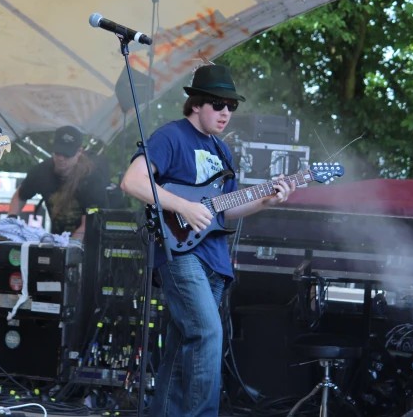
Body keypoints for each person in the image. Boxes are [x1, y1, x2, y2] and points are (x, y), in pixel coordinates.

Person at [120, 63, 296, 416]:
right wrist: (184, 206)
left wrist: (265, 201)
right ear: (196, 104)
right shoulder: (170, 136)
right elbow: (133, 182)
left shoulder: (222, 151)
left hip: (214, 259)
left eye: (232, 106)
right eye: (218, 104)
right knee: (208, 334)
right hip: (180, 253)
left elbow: (224, 211)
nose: (226, 112)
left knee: (183, 346)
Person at [7, 125, 109, 240]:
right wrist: (12, 220)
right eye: (58, 152)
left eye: (66, 154)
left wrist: (68, 248)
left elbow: (88, 224)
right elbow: (20, 196)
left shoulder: (92, 178)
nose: (61, 158)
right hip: (57, 238)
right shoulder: (42, 171)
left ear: (79, 151)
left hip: (90, 242)